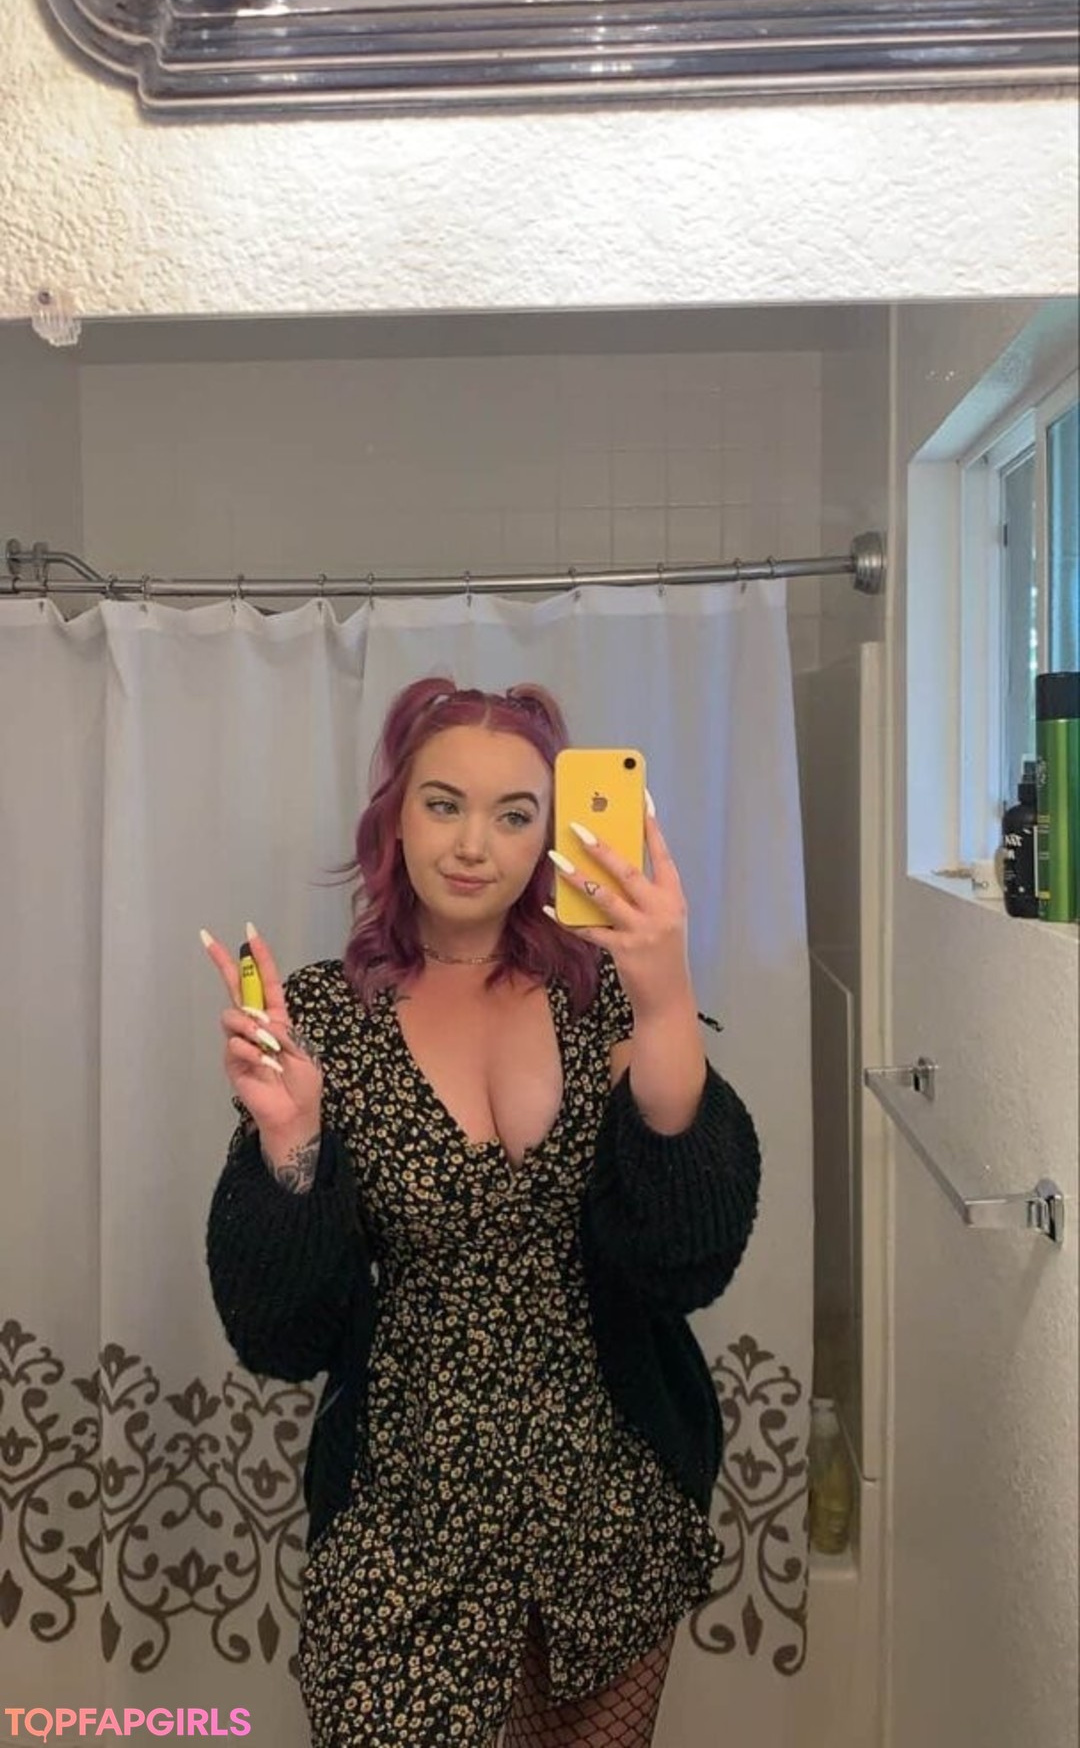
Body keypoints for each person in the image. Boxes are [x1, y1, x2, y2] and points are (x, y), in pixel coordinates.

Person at [204, 676, 761, 1748]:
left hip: (608, 1491)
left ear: (552, 834)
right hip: (405, 1499)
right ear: (394, 817)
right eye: (443, 803)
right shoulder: (324, 1012)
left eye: (514, 814)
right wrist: (291, 1142)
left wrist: (666, 998)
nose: (473, 844)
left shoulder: (602, 991)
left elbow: (686, 1257)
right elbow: (280, 1332)